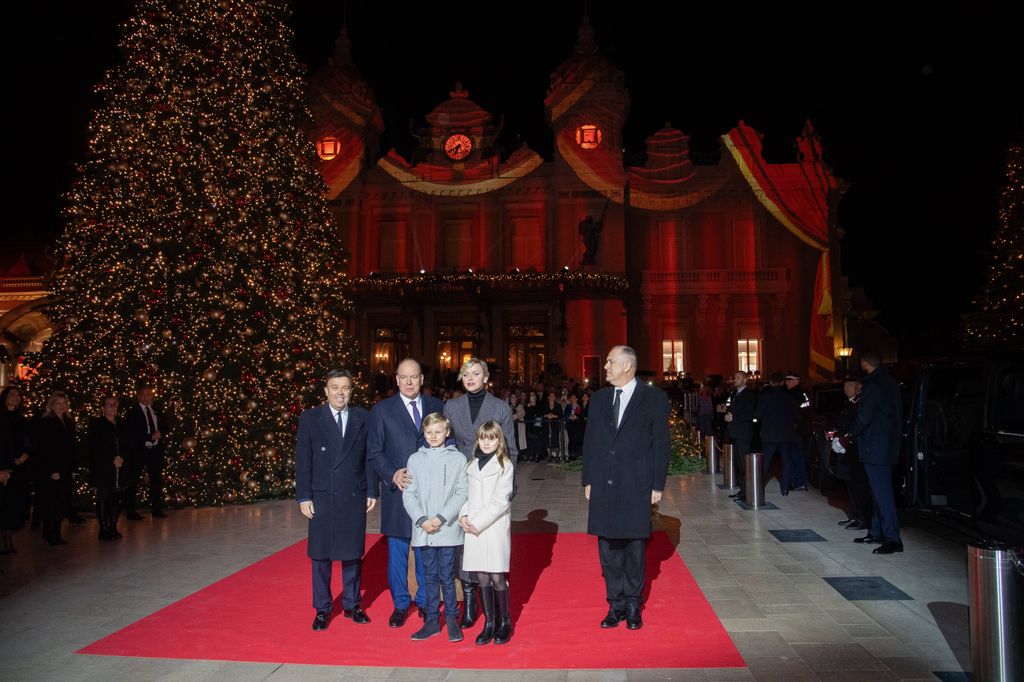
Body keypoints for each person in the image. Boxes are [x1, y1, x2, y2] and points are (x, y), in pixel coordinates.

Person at [582, 346, 670, 630]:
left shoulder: (653, 397)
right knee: (607, 545)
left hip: (636, 482)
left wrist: (657, 484)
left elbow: (661, 443)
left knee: (633, 545)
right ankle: (614, 605)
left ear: (627, 366)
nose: (605, 366)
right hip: (604, 482)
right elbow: (591, 442)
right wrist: (588, 479)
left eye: (610, 361)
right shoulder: (599, 398)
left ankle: (633, 604)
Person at [295, 369, 378, 631]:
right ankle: (322, 608)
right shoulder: (310, 418)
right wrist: (304, 496)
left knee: (352, 554)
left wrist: (372, 490)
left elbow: (369, 457)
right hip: (322, 496)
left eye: (345, 388)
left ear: (351, 391)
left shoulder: (363, 417)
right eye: (335, 387)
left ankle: (353, 604)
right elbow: (303, 460)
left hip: (353, 493)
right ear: (326, 390)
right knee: (321, 555)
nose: (340, 393)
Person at [367, 358, 444, 628]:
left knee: (425, 548)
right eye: (404, 377)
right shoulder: (381, 410)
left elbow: (449, 441)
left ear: (422, 380)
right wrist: (392, 474)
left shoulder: (437, 406)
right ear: (396, 380)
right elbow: (374, 452)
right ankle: (400, 604)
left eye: (414, 377)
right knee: (398, 550)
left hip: (430, 494)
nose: (409, 382)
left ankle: (424, 601)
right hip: (398, 493)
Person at [443, 358, 517, 628]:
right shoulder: (451, 406)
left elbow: (511, 448)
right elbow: (446, 442)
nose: (471, 378)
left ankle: (499, 617)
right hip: (463, 483)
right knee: (464, 549)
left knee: (490, 551)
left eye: (476, 373)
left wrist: (508, 487)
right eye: (466, 374)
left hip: (492, 481)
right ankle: (471, 605)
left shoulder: (499, 407)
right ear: (461, 379)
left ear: (486, 377)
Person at [403, 412, 469, 642]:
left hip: (446, 528)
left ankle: (451, 618)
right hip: (424, 529)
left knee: (447, 575)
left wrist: (441, 518)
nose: (433, 436)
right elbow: (409, 493)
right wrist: (422, 519)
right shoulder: (415, 459)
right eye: (429, 432)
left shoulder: (458, 459)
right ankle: (432, 620)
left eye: (438, 432)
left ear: (447, 432)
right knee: (429, 576)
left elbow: (462, 492)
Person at [459, 421, 515, 645]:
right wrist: (463, 515)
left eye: (491, 438)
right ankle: (489, 622)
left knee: (496, 575)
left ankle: (504, 621)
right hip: (472, 527)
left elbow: (501, 501)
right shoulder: (472, 464)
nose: (487, 442)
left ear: (499, 440)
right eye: (483, 438)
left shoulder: (505, 465)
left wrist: (477, 523)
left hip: (493, 527)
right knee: (481, 575)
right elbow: (467, 495)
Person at [851, 351, 904, 554]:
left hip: (875, 447)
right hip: (885, 445)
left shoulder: (873, 386)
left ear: (865, 363)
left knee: (882, 494)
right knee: (878, 491)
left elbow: (864, 417)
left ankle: (892, 538)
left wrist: (849, 435)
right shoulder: (889, 382)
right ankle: (876, 531)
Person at [831, 374, 872, 531]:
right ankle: (855, 516)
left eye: (850, 385)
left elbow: (856, 426)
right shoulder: (847, 403)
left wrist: (844, 440)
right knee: (849, 484)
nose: (847, 389)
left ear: (859, 387)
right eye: (845, 386)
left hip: (855, 450)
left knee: (859, 486)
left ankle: (863, 518)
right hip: (846, 450)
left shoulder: (860, 404)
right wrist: (836, 438)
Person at [35, 392, 76, 546]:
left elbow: (70, 447)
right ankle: (52, 534)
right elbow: (46, 448)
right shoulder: (46, 422)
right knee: (53, 501)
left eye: (64, 403)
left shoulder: (69, 421)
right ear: (52, 404)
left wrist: (71, 466)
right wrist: (53, 469)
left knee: (61, 499)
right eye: (58, 403)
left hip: (65, 466)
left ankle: (51, 532)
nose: (61, 405)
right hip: (52, 467)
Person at [123, 384, 168, 519]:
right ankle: (131, 511)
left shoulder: (156, 410)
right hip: (139, 451)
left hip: (155, 450)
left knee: (156, 480)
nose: (149, 396)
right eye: (146, 394)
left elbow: (166, 425)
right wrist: (149, 436)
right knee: (133, 480)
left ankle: (156, 509)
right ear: (140, 396)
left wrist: (161, 433)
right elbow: (131, 432)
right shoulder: (132, 412)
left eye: (150, 394)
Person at [754, 372, 801, 496]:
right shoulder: (789, 395)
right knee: (786, 461)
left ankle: (759, 488)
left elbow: (758, 414)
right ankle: (785, 488)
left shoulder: (765, 395)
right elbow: (796, 414)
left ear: (770, 382)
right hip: (786, 433)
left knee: (766, 462)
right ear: (782, 382)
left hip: (769, 433)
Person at [88, 396, 125, 541]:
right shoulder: (96, 424)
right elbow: (95, 447)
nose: (112, 407)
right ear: (103, 407)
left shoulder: (122, 423)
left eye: (114, 405)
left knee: (117, 498)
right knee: (103, 497)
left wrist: (121, 457)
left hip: (120, 466)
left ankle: (113, 526)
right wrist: (111, 459)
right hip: (103, 466)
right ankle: (103, 529)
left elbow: (127, 443)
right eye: (109, 405)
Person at [1, 386, 31, 554]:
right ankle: (5, 541)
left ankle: (9, 541)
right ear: (5, 397)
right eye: (12, 395)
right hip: (4, 465)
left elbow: (28, 441)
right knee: (4, 504)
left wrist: (24, 456)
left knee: (13, 503)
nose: (16, 397)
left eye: (18, 395)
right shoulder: (2, 417)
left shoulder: (21, 419)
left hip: (19, 466)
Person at [725, 371, 756, 500]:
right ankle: (742, 490)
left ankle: (747, 492)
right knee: (739, 463)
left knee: (744, 464)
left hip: (743, 433)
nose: (735, 379)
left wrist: (733, 418)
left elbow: (750, 414)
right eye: (735, 377)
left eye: (738, 378)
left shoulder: (748, 395)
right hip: (736, 433)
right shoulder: (735, 394)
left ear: (744, 381)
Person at [784, 371, 811, 491]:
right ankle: (797, 481)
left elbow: (799, 414)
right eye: (786, 380)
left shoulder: (795, 394)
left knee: (795, 456)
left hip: (795, 431)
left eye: (789, 380)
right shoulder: (799, 393)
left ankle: (798, 481)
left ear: (797, 381)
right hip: (797, 430)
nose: (787, 382)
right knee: (795, 456)